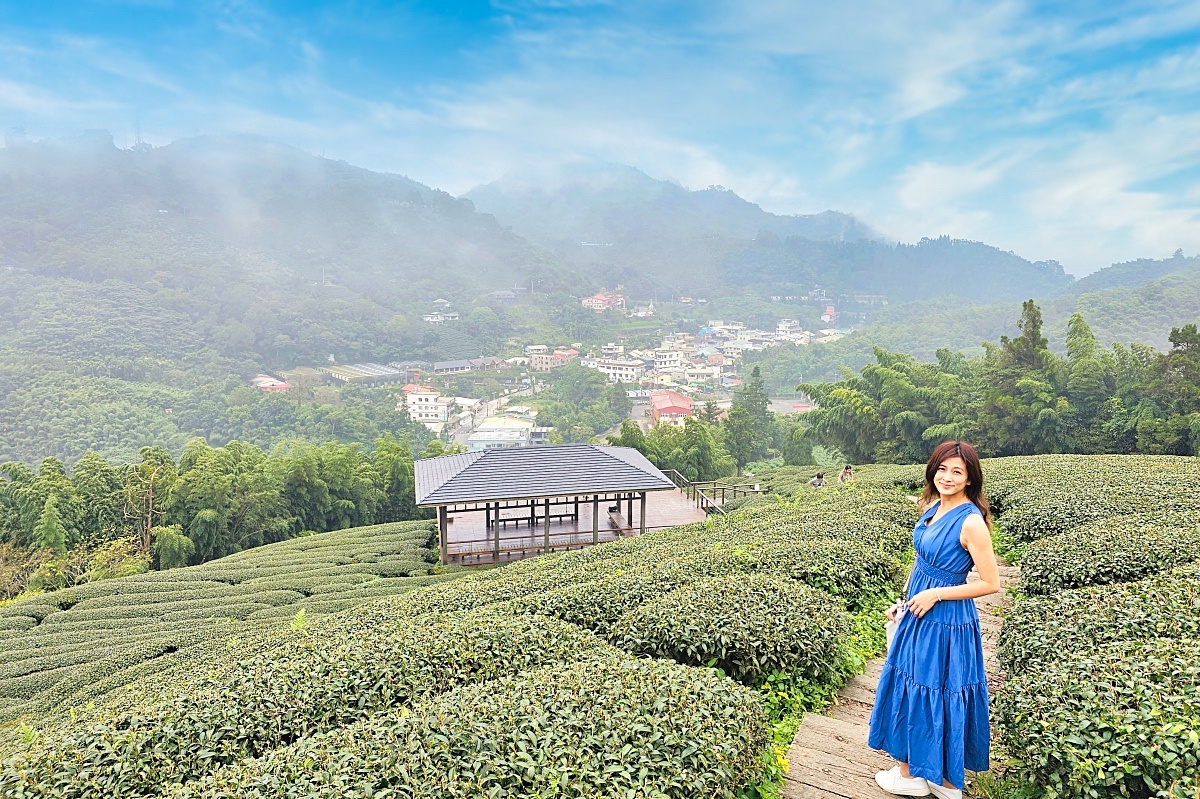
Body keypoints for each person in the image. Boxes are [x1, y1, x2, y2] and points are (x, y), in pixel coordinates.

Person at [868, 440, 1000, 799]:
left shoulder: (971, 521)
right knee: (917, 685)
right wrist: (904, 601)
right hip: (919, 610)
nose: (947, 476)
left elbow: (991, 582)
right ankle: (919, 774)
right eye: (942, 469)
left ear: (970, 478)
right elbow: (922, 563)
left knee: (935, 688)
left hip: (945, 619)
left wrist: (935, 594)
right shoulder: (933, 507)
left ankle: (938, 780)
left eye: (957, 471)